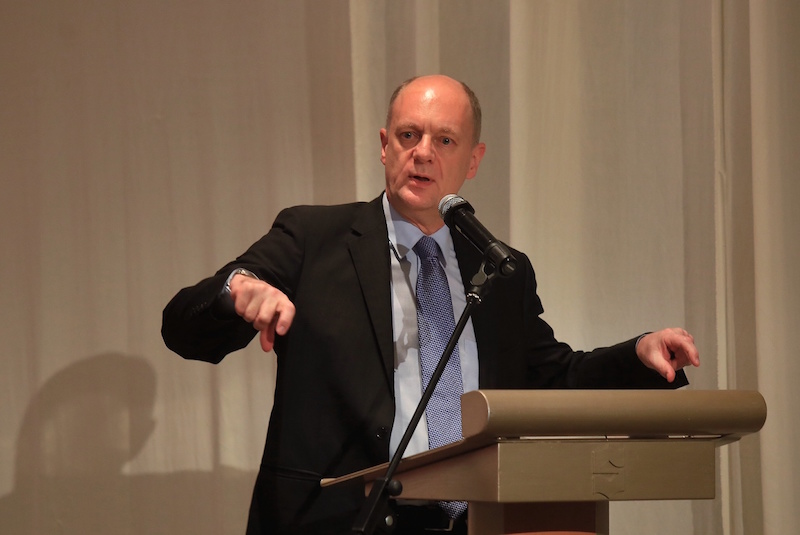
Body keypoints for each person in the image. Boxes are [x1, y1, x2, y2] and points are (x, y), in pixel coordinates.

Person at [161, 75, 700, 535]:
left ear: (474, 160)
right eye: (409, 135)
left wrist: (638, 354)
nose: (423, 152)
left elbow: (553, 379)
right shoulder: (313, 238)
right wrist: (236, 292)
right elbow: (182, 327)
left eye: (445, 140)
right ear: (384, 146)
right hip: (340, 519)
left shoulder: (500, 267)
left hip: (479, 521)